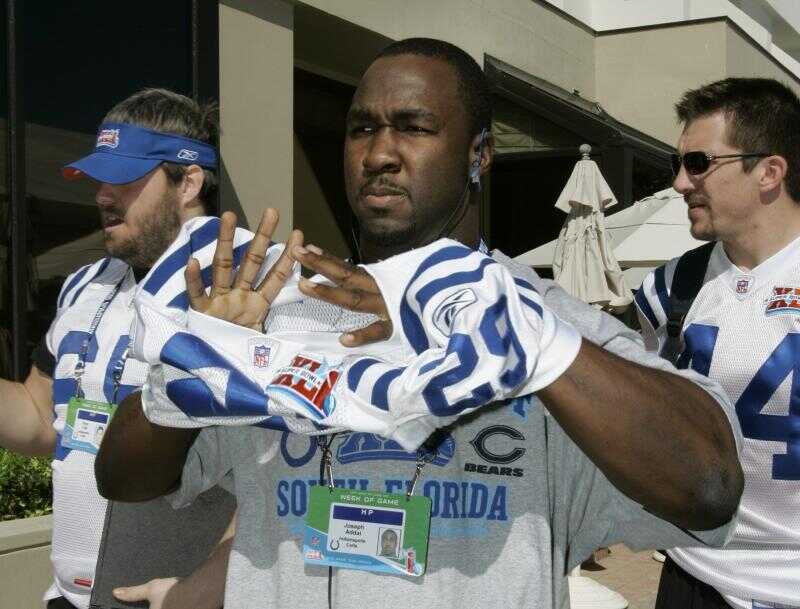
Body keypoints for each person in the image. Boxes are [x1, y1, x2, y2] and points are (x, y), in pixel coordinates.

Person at [97, 38, 744, 609]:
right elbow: (125, 481)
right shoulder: (285, 313)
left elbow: (709, 485)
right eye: (361, 128)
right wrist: (187, 367)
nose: (380, 152)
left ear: (479, 154)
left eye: (413, 126)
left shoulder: (538, 323)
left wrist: (530, 337)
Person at [0, 87, 229, 609]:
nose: (103, 194)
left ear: (188, 180)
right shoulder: (85, 283)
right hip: (69, 596)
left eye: (124, 177)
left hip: (175, 598)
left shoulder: (247, 284)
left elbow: (279, 472)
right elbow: (40, 419)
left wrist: (205, 591)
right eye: (100, 177)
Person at [636, 78, 800, 609]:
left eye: (701, 162)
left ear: (770, 172)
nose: (681, 183)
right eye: (678, 164)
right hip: (692, 574)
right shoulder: (667, 289)